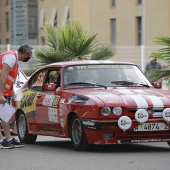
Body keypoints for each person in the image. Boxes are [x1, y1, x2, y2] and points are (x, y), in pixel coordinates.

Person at [0, 44, 33, 149]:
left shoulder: (14, 60)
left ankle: (8, 139)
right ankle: (1, 140)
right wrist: (1, 95)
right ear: (25, 54)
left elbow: (10, 81)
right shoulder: (11, 58)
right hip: (1, 92)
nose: (29, 57)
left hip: (5, 92)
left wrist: (13, 97)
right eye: (29, 55)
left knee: (5, 115)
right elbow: (3, 77)